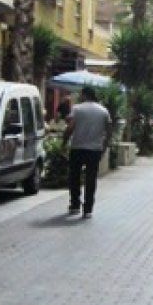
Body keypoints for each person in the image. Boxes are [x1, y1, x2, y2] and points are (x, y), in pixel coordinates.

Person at [63, 85, 111, 219]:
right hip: (94, 150)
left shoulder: (77, 108)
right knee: (91, 179)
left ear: (84, 95)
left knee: (74, 177)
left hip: (77, 148)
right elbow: (109, 131)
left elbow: (70, 127)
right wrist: (104, 146)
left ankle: (75, 205)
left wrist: (64, 142)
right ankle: (88, 209)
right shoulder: (103, 111)